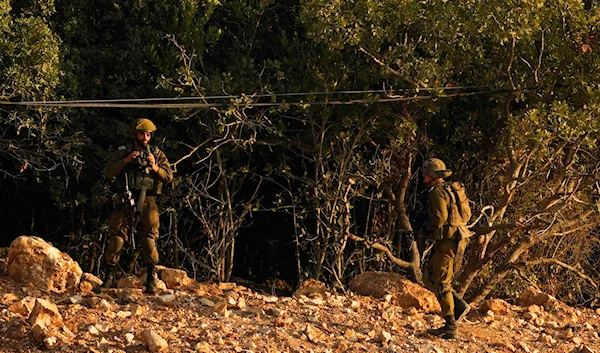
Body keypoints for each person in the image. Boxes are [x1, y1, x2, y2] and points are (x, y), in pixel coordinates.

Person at [100, 118, 173, 294]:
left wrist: (155, 167)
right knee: (117, 238)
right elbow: (108, 172)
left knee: (149, 240)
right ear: (135, 134)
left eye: (149, 134)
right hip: (124, 199)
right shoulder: (123, 152)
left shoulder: (156, 153)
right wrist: (125, 161)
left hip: (148, 201)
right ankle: (109, 277)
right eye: (142, 134)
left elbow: (169, 177)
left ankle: (151, 279)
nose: (146, 137)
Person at [417, 157, 471, 339]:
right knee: (430, 275)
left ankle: (450, 326)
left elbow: (439, 218)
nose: (423, 178)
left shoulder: (436, 192)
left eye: (425, 175)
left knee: (441, 282)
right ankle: (458, 306)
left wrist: (424, 231)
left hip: (449, 242)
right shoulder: (448, 189)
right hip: (455, 239)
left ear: (431, 176)